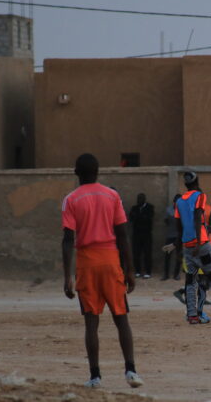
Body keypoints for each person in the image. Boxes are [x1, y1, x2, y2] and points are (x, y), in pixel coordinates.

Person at [61, 153, 143, 388]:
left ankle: (95, 376)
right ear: (98, 172)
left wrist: (67, 276)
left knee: (91, 323)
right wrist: (130, 269)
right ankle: (131, 371)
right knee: (121, 318)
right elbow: (122, 235)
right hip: (110, 261)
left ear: (76, 173)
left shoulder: (71, 199)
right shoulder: (112, 195)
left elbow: (67, 239)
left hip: (86, 263)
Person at [175, 171, 211, 324]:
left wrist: (179, 249)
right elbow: (198, 217)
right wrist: (199, 241)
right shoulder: (200, 196)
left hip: (187, 246)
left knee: (190, 281)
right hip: (202, 245)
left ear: (185, 184)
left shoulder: (179, 201)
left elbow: (178, 228)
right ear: (197, 182)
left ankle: (192, 316)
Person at [129, 193, 154, 279]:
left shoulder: (150, 207)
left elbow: (148, 218)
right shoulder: (134, 208)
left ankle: (148, 272)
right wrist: (140, 217)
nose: (138, 200)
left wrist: (138, 217)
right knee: (136, 253)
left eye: (140, 199)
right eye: (138, 199)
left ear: (144, 199)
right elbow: (131, 218)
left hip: (146, 234)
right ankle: (138, 271)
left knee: (147, 253)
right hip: (136, 234)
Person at [161, 194, 182, 281]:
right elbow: (166, 221)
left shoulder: (182, 211)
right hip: (170, 235)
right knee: (167, 255)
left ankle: (176, 274)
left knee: (179, 255)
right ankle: (166, 274)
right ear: (174, 202)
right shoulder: (168, 210)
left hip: (179, 236)